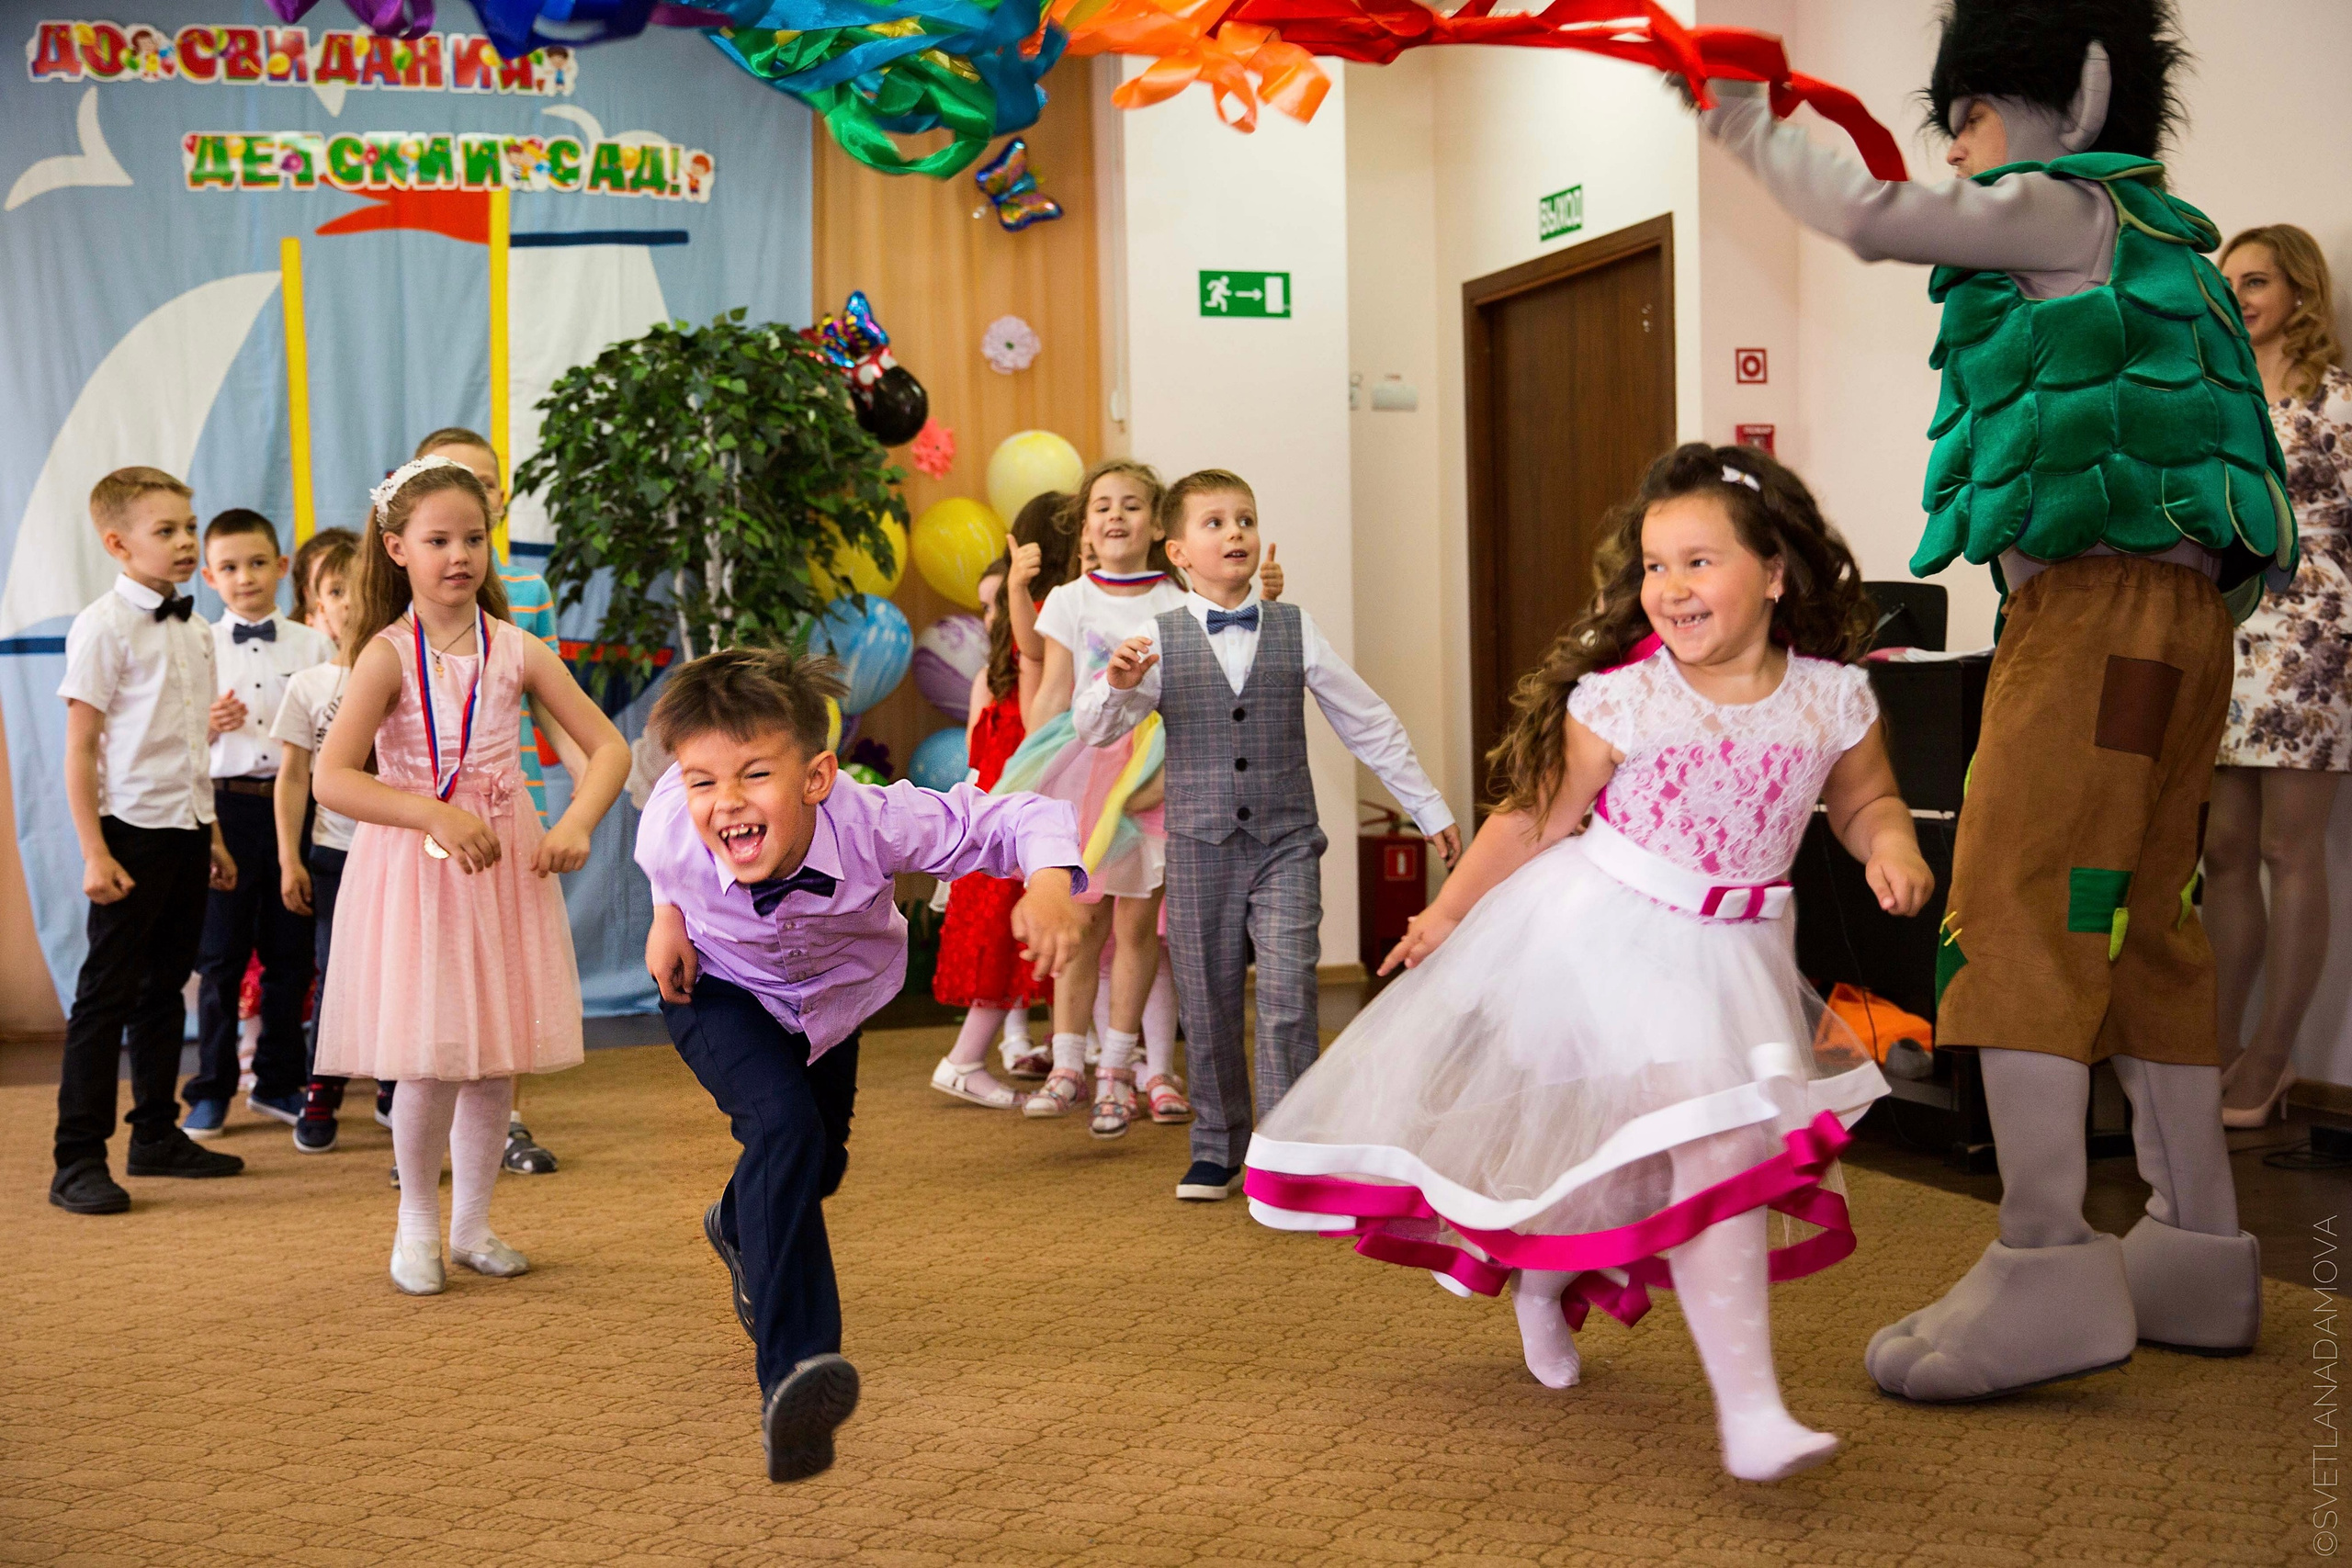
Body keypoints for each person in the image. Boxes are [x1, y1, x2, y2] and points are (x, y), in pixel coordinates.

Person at [1696, 0, 2285, 1397]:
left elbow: (1869, 215)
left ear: (2075, 94)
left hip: (2088, 621)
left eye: (1968, 114)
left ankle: (2045, 1258)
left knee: (2013, 910)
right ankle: (2195, 1246)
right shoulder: (2162, 244)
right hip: (2181, 627)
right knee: (2144, 923)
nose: (1956, 148)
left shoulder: (2065, 212)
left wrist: (1732, 113)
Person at [1243, 446, 1926, 1482]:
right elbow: (1535, 818)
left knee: (1643, 1161)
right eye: (1654, 566)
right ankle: (1752, 1414)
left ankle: (1543, 1278)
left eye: (1698, 561)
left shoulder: (1833, 700)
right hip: (1611, 934)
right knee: (1714, 1146)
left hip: (1743, 950)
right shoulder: (1623, 700)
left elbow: (1864, 798)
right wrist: (1446, 914)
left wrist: (1891, 844)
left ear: (1776, 573)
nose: (1671, 587)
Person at [636, 645, 1089, 1482]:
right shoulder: (675, 817)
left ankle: (737, 1220)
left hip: (833, 999)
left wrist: (1051, 883)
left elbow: (1012, 815)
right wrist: (668, 914)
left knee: (816, 1164)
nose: (726, 800)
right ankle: (795, 1373)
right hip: (716, 986)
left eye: (755, 774)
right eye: (705, 781)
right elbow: (662, 837)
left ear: (817, 777)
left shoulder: (877, 819)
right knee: (783, 1129)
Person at [1081, 468, 1462, 1197]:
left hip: (1287, 843)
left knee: (1289, 995)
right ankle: (1217, 1143)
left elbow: (1367, 721)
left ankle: (1290, 1149)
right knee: (1208, 999)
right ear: (1178, 552)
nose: (1235, 532)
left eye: (1246, 519)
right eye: (1215, 522)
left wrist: (1428, 807)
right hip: (1198, 847)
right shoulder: (1154, 638)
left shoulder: (1295, 627)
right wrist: (1117, 684)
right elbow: (1095, 729)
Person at [311, 456, 629, 1295]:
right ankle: (416, 1225)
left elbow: (608, 747)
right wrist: (432, 814)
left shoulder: (517, 648)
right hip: (417, 873)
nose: (460, 555)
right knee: (430, 1057)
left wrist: (575, 822)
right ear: (396, 549)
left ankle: (473, 1225)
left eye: (474, 539)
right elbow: (332, 778)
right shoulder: (384, 655)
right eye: (438, 540)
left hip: (503, 867)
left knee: (495, 1058)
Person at [49, 468, 247, 1213]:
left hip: (187, 827)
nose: (186, 542)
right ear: (117, 543)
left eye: (189, 527)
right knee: (105, 996)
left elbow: (189, 747)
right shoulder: (103, 626)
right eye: (166, 530)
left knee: (166, 990)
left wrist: (212, 833)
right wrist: (94, 851)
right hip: (127, 834)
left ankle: (156, 1134)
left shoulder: (197, 629)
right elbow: (80, 749)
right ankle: (76, 1158)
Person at [995, 461, 1189, 1133]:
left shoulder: (1177, 601)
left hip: (1153, 771)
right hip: (1084, 764)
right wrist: (1035, 772)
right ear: (1085, 526)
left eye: (1132, 505)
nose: (1116, 516)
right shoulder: (1068, 599)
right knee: (1080, 923)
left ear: (1158, 525)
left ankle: (1118, 1070)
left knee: (1137, 927)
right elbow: (1055, 692)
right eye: (1102, 506)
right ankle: (1068, 1063)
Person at [413, 426, 586, 1175]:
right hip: (424, 821)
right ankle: (422, 1122)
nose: (469, 494)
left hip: (512, 806)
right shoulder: (401, 611)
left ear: (500, 499)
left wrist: (575, 802)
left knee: (504, 975)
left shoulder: (527, 593)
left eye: (482, 483)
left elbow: (554, 710)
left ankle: (504, 1118)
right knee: (434, 975)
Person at [2209, 225, 2352, 1128]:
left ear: (2299, 290)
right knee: (2221, 850)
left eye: (2255, 280)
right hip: (2224, 630)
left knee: (2285, 851)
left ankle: (2271, 1058)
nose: (2238, 297)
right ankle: (2216, 1046)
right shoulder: (2216, 396)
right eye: (2228, 282)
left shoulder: (2340, 401)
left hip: (2313, 634)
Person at [181, 509, 334, 1136]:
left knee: (290, 952)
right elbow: (168, 737)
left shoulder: (313, 644)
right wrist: (204, 725)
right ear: (210, 576)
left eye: (257, 563)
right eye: (230, 567)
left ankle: (277, 1080)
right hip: (226, 809)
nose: (245, 577)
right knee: (220, 957)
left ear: (282, 566)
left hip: (296, 807)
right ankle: (212, 1088)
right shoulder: (197, 644)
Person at [930, 547, 1057, 1108]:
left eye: (999, 603)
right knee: (1002, 938)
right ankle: (968, 1057)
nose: (991, 617)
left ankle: (1076, 1049)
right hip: (1003, 820)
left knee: (1039, 940)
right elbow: (980, 759)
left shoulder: (1039, 663)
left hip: (1024, 815)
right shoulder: (996, 676)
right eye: (985, 606)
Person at [273, 528, 365, 1153]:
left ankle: (394, 1082)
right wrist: (290, 858)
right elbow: (293, 777)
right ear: (315, 609)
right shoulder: (308, 685)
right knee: (335, 973)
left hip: (402, 852)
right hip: (334, 853)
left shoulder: (412, 672)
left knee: (400, 972)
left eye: (358, 586)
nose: (349, 600)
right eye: (334, 590)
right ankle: (321, 1087)